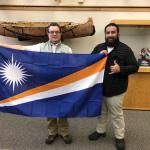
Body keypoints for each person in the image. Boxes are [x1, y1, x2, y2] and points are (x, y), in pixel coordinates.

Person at [0, 22, 72, 145]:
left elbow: (74, 66)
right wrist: (1, 45)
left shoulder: (68, 49)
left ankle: (64, 133)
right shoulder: (40, 47)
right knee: (50, 109)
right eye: (52, 32)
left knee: (62, 108)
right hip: (46, 84)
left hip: (62, 84)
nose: (54, 34)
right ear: (47, 34)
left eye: (57, 32)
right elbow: (22, 48)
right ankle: (52, 133)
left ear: (60, 34)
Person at [88, 23, 139, 150]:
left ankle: (120, 137)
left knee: (117, 115)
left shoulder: (125, 49)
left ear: (117, 34)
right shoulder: (99, 47)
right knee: (101, 112)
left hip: (116, 90)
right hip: (100, 89)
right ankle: (100, 131)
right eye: (108, 32)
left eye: (113, 32)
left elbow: (135, 67)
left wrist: (120, 68)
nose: (110, 35)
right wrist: (97, 56)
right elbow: (88, 61)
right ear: (105, 34)